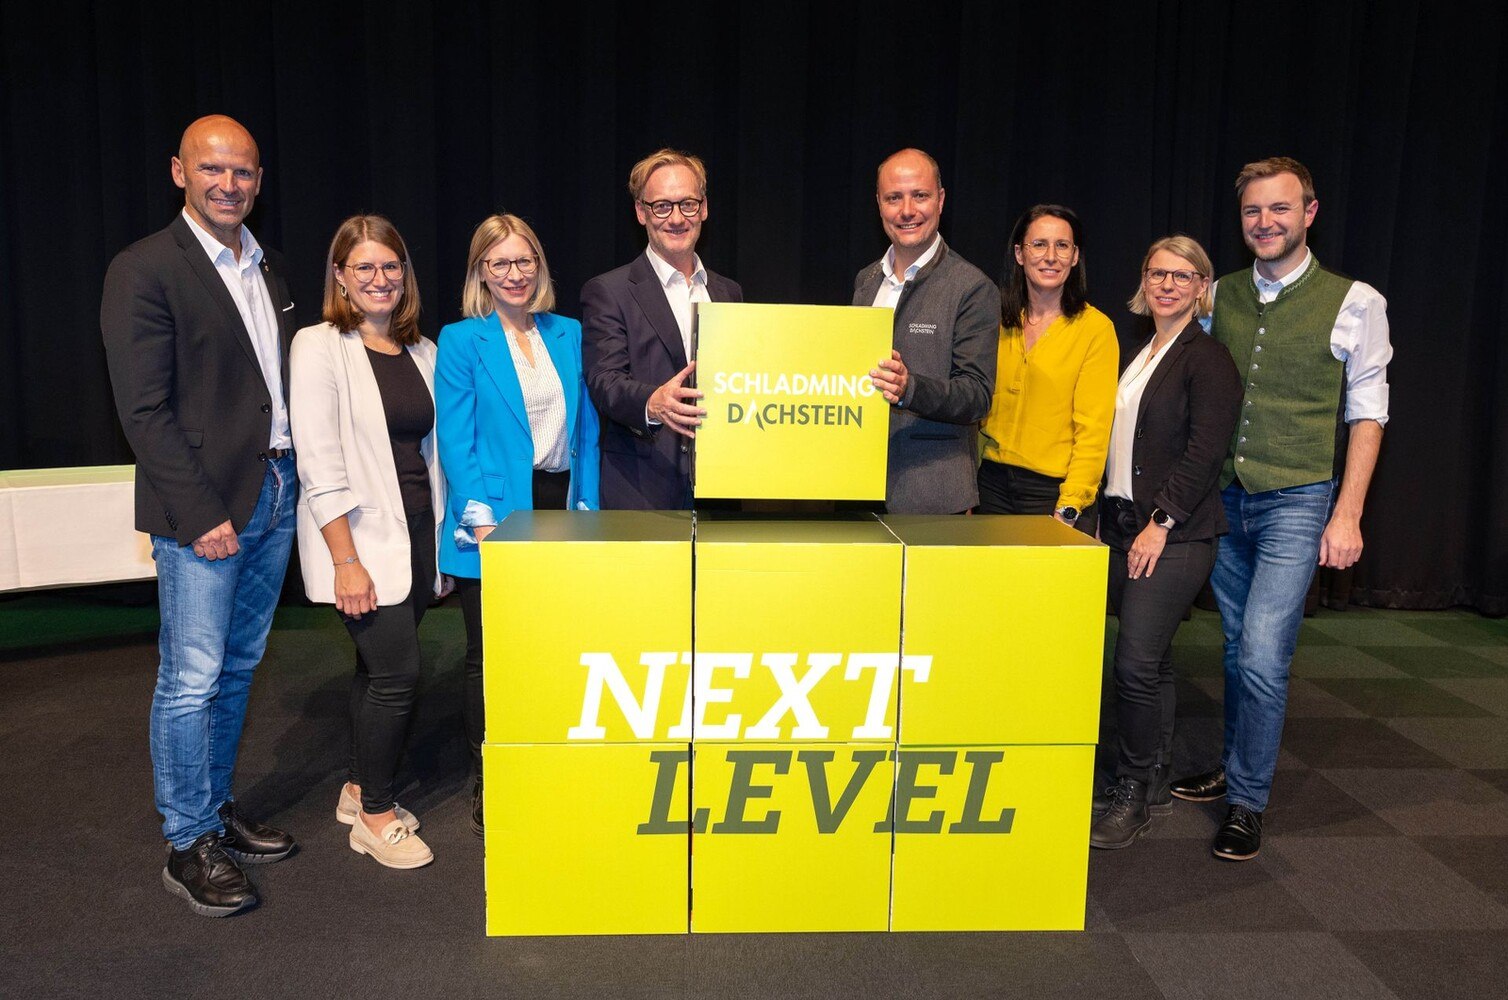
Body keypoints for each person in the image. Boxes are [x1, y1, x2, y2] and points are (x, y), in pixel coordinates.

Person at [101, 115, 298, 916]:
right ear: (179, 171)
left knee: (239, 667)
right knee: (190, 679)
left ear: (258, 179)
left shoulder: (268, 266)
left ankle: (214, 810)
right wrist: (197, 511)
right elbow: (144, 411)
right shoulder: (144, 268)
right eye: (213, 169)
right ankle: (186, 842)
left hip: (275, 493)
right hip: (204, 508)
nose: (229, 183)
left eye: (244, 171)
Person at [1171, 157, 1392, 861]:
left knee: (1264, 653)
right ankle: (1237, 770)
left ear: (1310, 214)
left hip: (1298, 498)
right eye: (1252, 212)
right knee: (1238, 649)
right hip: (1227, 497)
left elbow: (1368, 413)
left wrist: (1347, 513)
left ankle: (1247, 801)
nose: (1265, 223)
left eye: (1279, 209)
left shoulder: (1357, 301)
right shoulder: (1218, 295)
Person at [435, 213, 601, 836]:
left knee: (556, 646)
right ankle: (491, 777)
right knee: (490, 658)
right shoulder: (460, 340)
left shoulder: (570, 333)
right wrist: (478, 517)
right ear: (481, 270)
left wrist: (588, 507)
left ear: (540, 266)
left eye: (524, 261)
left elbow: (586, 429)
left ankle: (549, 767)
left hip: (563, 507)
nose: (514, 274)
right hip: (496, 519)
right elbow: (455, 436)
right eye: (500, 263)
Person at [290, 215, 447, 869]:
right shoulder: (317, 345)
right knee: (397, 676)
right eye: (365, 268)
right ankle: (377, 817)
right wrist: (345, 561)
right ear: (340, 278)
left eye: (391, 266)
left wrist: (441, 547)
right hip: (358, 543)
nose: (380, 279)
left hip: (417, 535)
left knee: (373, 671)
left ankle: (358, 788)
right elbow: (318, 462)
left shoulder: (426, 351)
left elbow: (435, 457)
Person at [1089, 236, 1241, 849]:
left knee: (1133, 663)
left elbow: (1206, 453)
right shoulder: (1140, 353)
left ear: (1203, 287)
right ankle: (1151, 774)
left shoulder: (1208, 359)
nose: (1169, 284)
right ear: (1144, 281)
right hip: (1125, 524)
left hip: (1173, 534)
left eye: (1184, 275)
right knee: (1151, 662)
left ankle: (1130, 790)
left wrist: (1162, 522)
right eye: (1158, 272)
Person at [582, 149, 742, 509]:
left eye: (687, 204)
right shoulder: (609, 291)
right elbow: (603, 380)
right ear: (641, 212)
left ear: (703, 208)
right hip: (642, 490)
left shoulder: (728, 292)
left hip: (721, 489)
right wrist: (652, 403)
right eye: (662, 206)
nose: (676, 218)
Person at [854, 148, 997, 514]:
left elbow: (977, 395)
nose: (907, 210)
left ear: (941, 200)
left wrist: (909, 388)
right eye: (893, 198)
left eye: (920, 195)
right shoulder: (866, 281)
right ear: (878, 204)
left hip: (934, 497)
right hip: (859, 490)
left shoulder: (972, 287)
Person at [978, 205, 1118, 530]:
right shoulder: (994, 320)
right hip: (991, 487)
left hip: (1053, 494)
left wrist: (1071, 504)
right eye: (1039, 244)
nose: (1051, 256)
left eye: (1062, 246)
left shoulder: (1095, 329)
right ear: (1019, 254)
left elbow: (1093, 433)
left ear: (1074, 256)